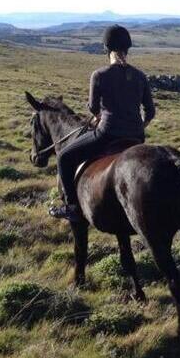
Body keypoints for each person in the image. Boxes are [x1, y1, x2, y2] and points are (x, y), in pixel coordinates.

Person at [49, 24, 155, 221]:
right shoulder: (140, 76)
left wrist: (99, 115)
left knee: (63, 157)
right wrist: (138, 127)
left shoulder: (99, 75)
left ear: (106, 49)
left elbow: (92, 107)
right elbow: (150, 111)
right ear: (128, 48)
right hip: (136, 137)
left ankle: (72, 208)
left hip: (107, 134)